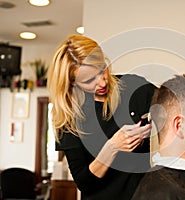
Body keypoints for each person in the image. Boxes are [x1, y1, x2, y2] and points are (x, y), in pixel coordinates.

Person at [47, 34, 156, 200]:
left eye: (102, 70)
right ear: (73, 83)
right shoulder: (67, 117)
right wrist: (112, 147)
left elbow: (174, 108)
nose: (103, 82)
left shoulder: (134, 87)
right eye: (90, 80)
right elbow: (84, 183)